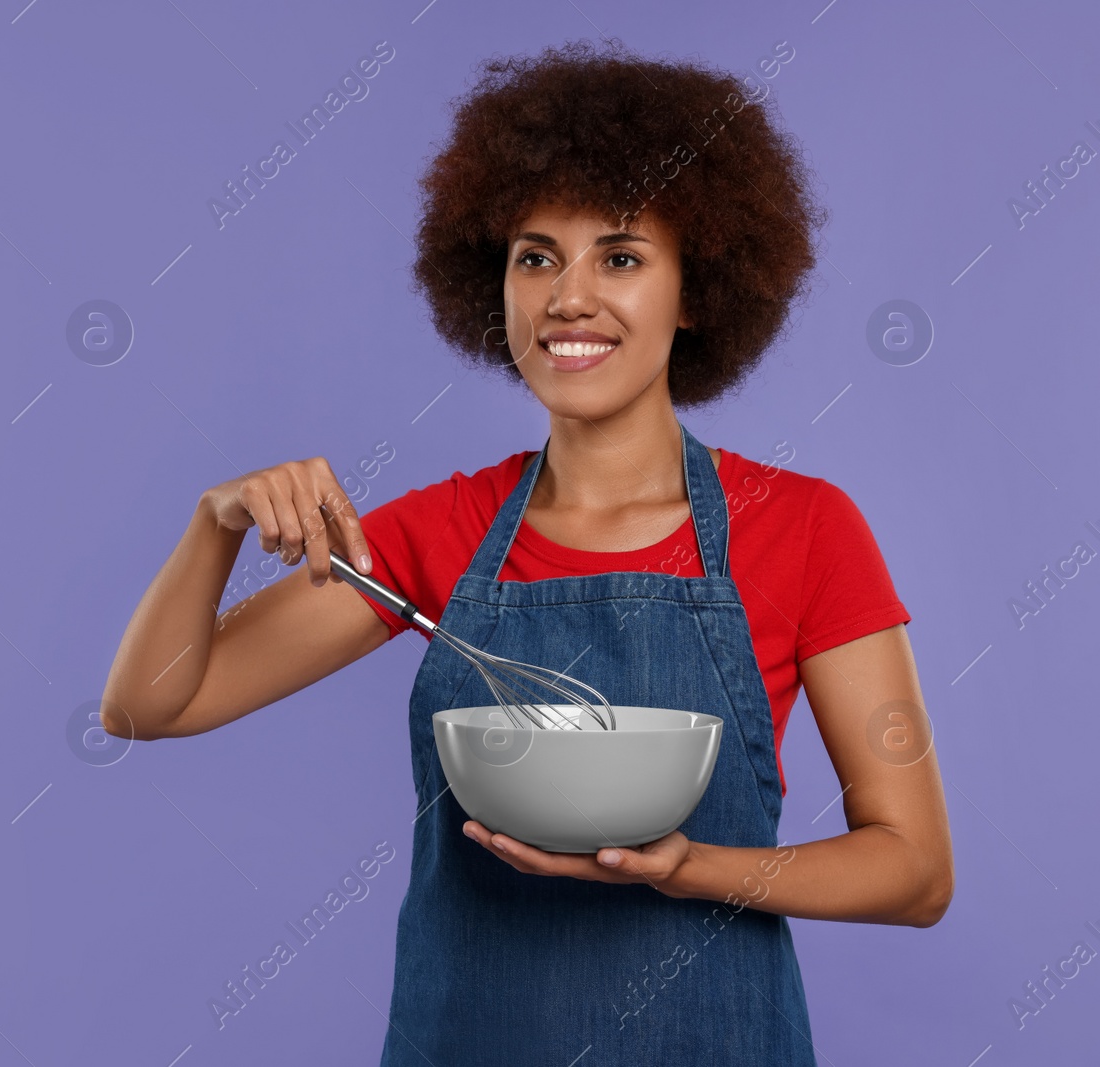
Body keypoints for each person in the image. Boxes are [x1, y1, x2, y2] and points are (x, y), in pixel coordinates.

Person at [101, 38, 952, 1065]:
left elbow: (913, 870)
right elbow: (151, 703)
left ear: (695, 293)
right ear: (491, 282)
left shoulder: (803, 525)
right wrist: (216, 524)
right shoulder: (440, 531)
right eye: (535, 254)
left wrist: (685, 867)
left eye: (621, 257)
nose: (567, 297)